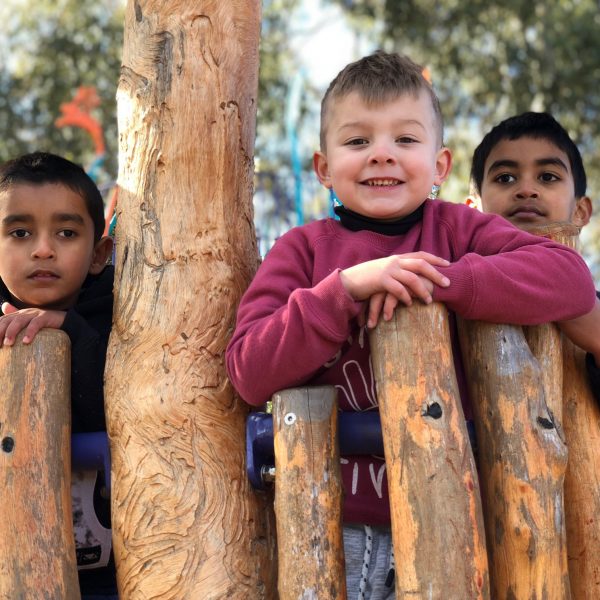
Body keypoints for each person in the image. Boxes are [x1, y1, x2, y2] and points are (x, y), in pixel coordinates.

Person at [226, 52, 596, 598]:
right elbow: (248, 372)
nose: (381, 155)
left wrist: (437, 281)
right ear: (323, 167)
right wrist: (346, 289)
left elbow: (569, 280)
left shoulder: (459, 231)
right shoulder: (302, 251)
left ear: (440, 166)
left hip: (453, 512)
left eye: (405, 140)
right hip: (327, 522)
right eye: (357, 142)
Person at [0, 151, 117, 599]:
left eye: (66, 232)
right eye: (20, 232)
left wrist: (71, 331)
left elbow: (122, 408)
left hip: (115, 570)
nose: (43, 248)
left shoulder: (124, 322)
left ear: (98, 253)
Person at [470, 111, 600, 403]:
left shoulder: (596, 311)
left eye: (547, 177)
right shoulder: (450, 298)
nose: (526, 190)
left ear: (580, 212)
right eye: (505, 178)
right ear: (472, 209)